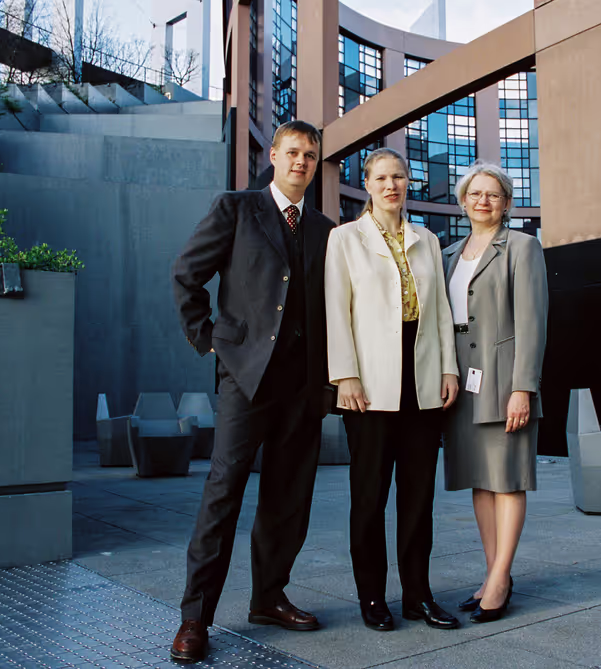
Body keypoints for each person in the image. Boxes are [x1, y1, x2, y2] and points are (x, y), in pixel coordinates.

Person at [170, 120, 336, 663]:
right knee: (223, 493)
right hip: (244, 380)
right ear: (274, 154)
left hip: (302, 385)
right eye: (292, 153)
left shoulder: (326, 230)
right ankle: (196, 617)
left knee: (289, 499)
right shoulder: (236, 209)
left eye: (310, 156)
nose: (300, 163)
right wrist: (211, 342)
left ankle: (268, 598)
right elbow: (187, 276)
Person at [325, 147, 460, 632]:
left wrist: (449, 369)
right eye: (381, 177)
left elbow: (440, 311)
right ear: (368, 184)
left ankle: (417, 596)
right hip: (370, 386)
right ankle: (372, 598)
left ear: (408, 183)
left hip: (422, 383)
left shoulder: (426, 238)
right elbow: (335, 312)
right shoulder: (345, 239)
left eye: (399, 177)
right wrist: (345, 375)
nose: (391, 185)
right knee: (369, 498)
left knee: (418, 499)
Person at [442, 161, 548, 624]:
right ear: (463, 200)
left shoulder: (522, 248)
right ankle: (490, 573)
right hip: (461, 379)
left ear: (506, 203)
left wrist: (523, 388)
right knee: (480, 480)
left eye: (493, 194)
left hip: (504, 379)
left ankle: (502, 578)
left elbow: (533, 322)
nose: (483, 201)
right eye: (475, 193)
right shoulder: (448, 253)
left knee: (507, 477)